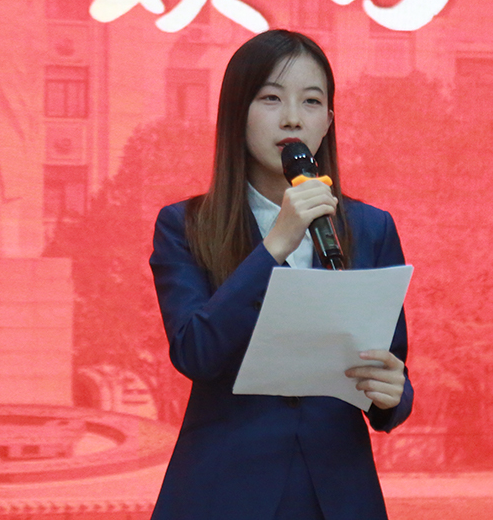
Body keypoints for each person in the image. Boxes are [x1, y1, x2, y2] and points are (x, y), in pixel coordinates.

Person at [148, 29, 413, 520]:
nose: (293, 117)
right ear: (237, 113)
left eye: (311, 101)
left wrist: (393, 394)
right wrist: (275, 244)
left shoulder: (370, 227)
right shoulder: (186, 225)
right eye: (271, 98)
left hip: (336, 494)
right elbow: (195, 351)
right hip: (222, 492)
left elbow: (390, 367)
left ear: (328, 121)